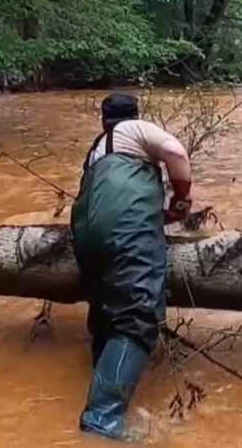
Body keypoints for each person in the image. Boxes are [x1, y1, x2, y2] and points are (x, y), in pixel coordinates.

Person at [70, 93, 192, 440]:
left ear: (103, 120)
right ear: (134, 116)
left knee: (107, 307)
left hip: (83, 232)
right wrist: (182, 199)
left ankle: (103, 374)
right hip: (126, 229)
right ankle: (102, 420)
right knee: (137, 316)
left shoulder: (95, 150)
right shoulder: (137, 129)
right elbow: (177, 153)